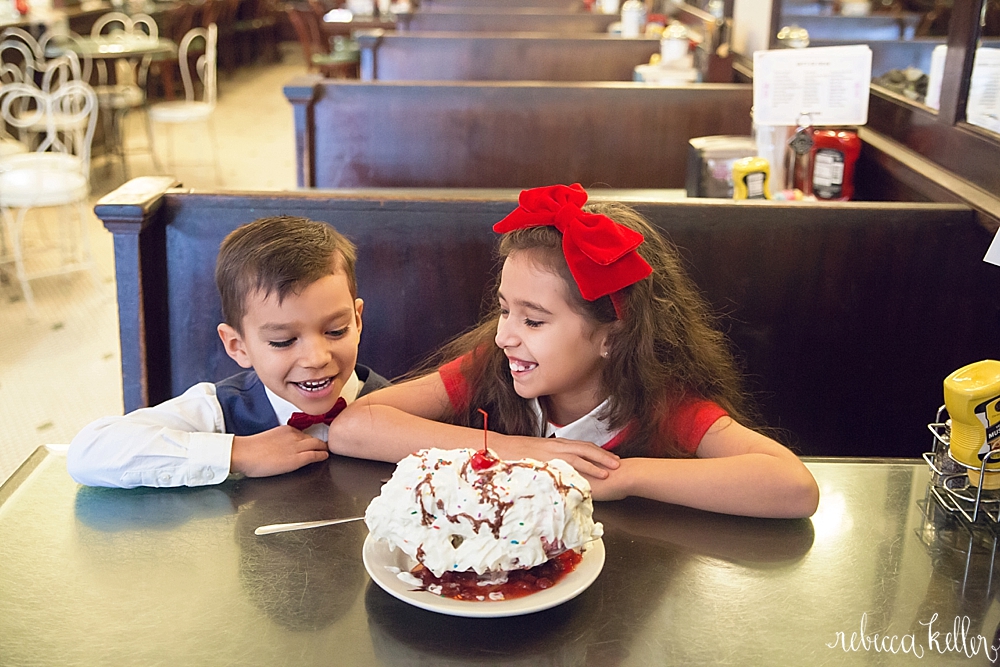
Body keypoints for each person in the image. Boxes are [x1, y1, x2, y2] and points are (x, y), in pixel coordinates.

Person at [329, 184, 819, 518]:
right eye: (504, 311)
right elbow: (352, 428)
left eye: (534, 320)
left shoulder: (664, 406)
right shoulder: (493, 368)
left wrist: (626, 476)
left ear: (612, 336)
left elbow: (793, 487)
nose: (505, 337)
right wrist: (526, 451)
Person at [68, 215, 388, 488]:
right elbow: (88, 452)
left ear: (357, 321)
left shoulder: (399, 402)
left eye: (336, 331)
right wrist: (237, 453)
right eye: (282, 341)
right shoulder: (222, 409)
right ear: (238, 346)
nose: (317, 358)